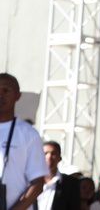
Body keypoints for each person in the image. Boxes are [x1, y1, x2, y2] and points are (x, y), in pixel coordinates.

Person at [0, 73, 48, 210]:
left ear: (17, 96)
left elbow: (38, 184)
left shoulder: (29, 134)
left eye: (6, 90)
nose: (0, 95)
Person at [37, 141, 80, 210]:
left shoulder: (70, 183)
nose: (49, 157)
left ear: (59, 158)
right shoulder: (30, 181)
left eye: (53, 153)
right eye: (45, 153)